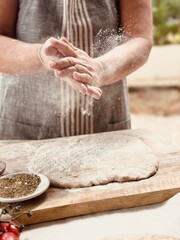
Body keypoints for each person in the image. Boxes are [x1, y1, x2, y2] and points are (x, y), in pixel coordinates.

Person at [0, 0, 153, 140]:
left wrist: (101, 68)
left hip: (105, 128)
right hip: (24, 129)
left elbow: (140, 38)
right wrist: (41, 55)